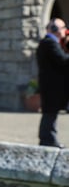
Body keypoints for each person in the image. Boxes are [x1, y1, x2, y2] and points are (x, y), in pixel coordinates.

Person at [36, 17, 69, 148]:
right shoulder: (49, 43)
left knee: (50, 113)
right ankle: (48, 139)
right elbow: (62, 61)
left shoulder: (50, 42)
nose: (66, 31)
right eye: (64, 28)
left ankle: (48, 138)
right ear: (56, 30)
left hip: (51, 86)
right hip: (52, 87)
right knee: (50, 113)